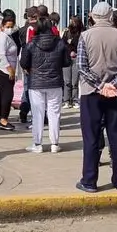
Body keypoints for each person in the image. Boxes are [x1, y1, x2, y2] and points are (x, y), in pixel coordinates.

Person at [76, 2, 117, 193]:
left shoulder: (85, 36)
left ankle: (89, 181)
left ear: (92, 16)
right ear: (111, 16)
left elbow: (82, 67)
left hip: (90, 93)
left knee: (91, 138)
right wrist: (115, 84)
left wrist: (101, 86)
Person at [20, 17, 70, 153]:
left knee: (37, 113)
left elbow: (23, 62)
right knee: (55, 113)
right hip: (55, 81)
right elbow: (67, 62)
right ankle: (55, 143)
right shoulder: (60, 43)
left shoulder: (31, 44)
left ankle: (37, 144)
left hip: (36, 82)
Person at [0, 13, 19, 131]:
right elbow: (2, 54)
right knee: (7, 95)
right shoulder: (3, 37)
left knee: (6, 95)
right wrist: (10, 69)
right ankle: (3, 119)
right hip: (4, 70)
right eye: (7, 26)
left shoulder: (9, 36)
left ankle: (3, 118)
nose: (10, 29)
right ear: (2, 27)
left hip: (8, 68)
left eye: (11, 26)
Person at [61, 16, 84, 109]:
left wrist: (75, 51)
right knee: (67, 81)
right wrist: (69, 51)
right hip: (67, 58)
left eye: (73, 21)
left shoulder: (82, 33)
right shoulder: (67, 32)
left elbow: (82, 45)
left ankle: (74, 100)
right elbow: (63, 44)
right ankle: (66, 100)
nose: (71, 23)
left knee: (75, 81)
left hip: (77, 57)